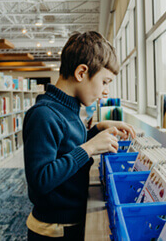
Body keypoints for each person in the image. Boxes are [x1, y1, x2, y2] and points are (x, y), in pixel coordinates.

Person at [23, 31, 136, 240]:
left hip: (70, 220)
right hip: (53, 229)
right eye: (104, 82)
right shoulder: (43, 115)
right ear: (82, 72)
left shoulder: (70, 109)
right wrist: (90, 148)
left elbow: (66, 147)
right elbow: (40, 181)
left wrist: (97, 130)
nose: (106, 92)